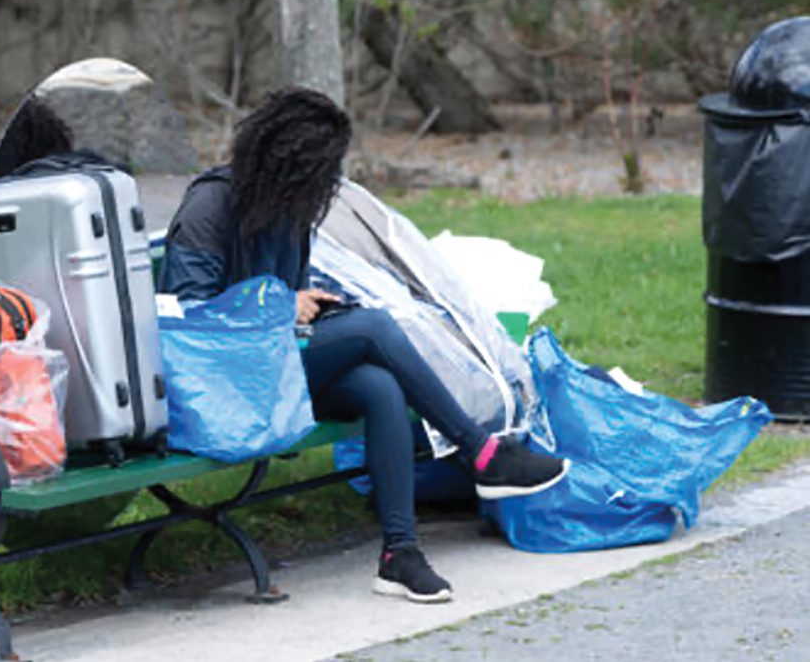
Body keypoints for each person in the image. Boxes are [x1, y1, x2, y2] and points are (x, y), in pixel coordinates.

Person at [159, 87, 569, 604]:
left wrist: (310, 307)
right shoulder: (208, 205)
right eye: (323, 171)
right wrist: (284, 307)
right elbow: (188, 317)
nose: (330, 185)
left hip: (273, 368)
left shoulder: (287, 212)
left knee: (379, 387)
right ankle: (481, 453)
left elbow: (289, 303)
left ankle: (400, 554)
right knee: (372, 328)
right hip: (222, 384)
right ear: (290, 165)